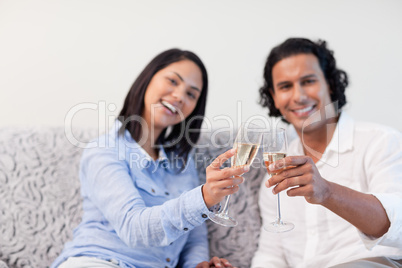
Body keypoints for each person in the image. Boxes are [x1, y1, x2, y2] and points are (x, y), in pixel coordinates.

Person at [52, 48, 247, 268]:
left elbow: (194, 236)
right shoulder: (104, 150)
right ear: (147, 79)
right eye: (173, 81)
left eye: (191, 94)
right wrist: (203, 197)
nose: (179, 96)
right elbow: (133, 228)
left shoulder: (182, 163)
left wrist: (197, 265)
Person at [251, 38, 402, 267]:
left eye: (308, 81)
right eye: (285, 86)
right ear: (274, 97)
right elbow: (270, 255)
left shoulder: (380, 141)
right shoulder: (275, 172)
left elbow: (396, 224)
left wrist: (327, 192)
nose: (299, 96)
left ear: (330, 84)